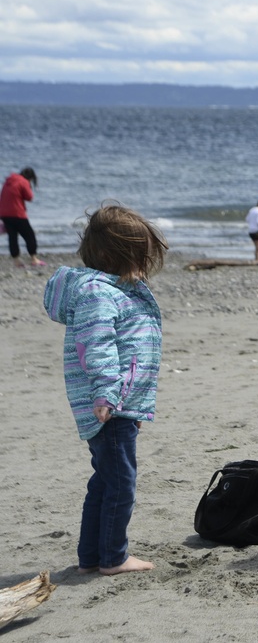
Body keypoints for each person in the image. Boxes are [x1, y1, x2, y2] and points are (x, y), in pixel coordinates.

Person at [43, 203, 168, 575]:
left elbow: (129, 348)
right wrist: (107, 396)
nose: (145, 265)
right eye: (140, 257)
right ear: (116, 256)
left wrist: (133, 406)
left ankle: (91, 558)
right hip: (108, 404)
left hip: (118, 403)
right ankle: (113, 557)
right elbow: (97, 346)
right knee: (121, 483)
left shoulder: (113, 290)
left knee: (104, 479)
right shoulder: (99, 294)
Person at [1, 167, 45, 267]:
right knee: (29, 235)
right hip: (17, 213)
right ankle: (34, 259)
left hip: (4, 214)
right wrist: (28, 185)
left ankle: (16, 261)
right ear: (31, 177)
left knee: (12, 237)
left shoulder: (9, 180)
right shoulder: (23, 181)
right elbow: (29, 197)